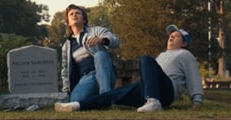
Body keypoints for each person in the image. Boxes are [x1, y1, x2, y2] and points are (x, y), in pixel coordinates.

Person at [55, 24, 203, 113]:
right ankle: (76, 106)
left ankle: (153, 102)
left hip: (167, 91)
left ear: (184, 43)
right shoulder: (162, 55)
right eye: (170, 35)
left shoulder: (185, 54)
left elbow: (193, 77)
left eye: (176, 36)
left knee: (145, 59)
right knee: (112, 95)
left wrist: (197, 102)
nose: (171, 37)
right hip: (147, 89)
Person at [61, 4, 120, 102]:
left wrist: (102, 40)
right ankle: (97, 97)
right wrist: (66, 90)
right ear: (68, 23)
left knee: (99, 55)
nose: (74, 15)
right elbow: (65, 71)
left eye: (78, 13)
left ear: (83, 19)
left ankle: (106, 97)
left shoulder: (95, 31)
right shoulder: (66, 46)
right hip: (86, 78)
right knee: (75, 100)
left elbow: (116, 41)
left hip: (104, 72)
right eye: (71, 14)